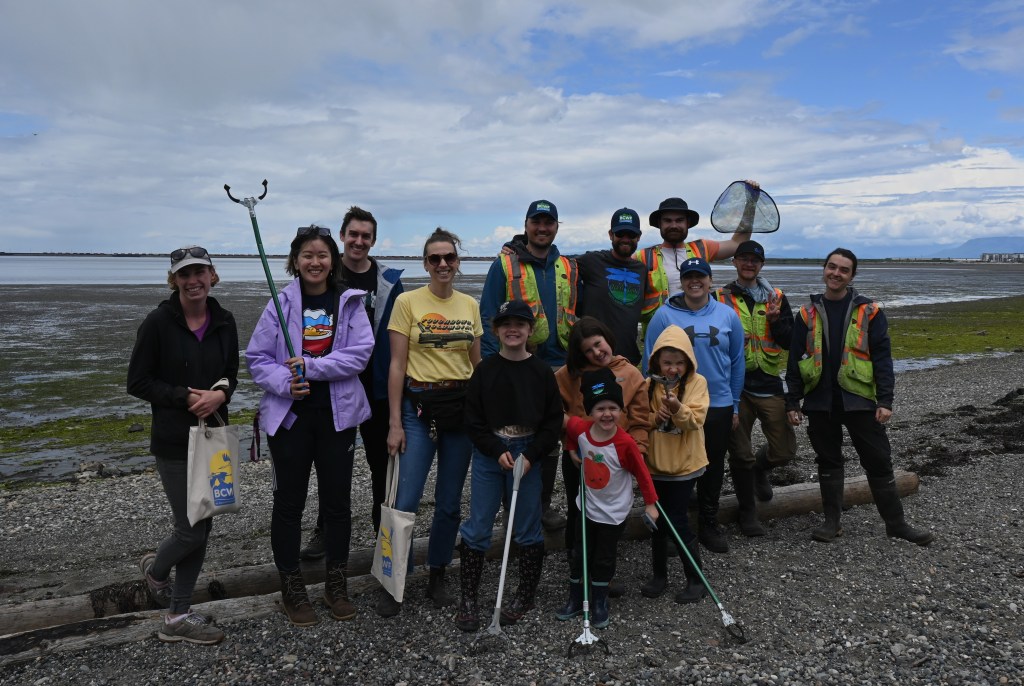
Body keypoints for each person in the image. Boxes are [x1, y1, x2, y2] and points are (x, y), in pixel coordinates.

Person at [246, 225, 373, 626]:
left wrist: (311, 367)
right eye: (307, 255)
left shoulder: (349, 302)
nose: (314, 262)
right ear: (295, 261)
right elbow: (257, 359)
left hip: (337, 418)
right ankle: (292, 588)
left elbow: (360, 354)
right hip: (291, 419)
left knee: (337, 504)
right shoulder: (279, 303)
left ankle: (336, 584)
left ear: (332, 261)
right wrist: (286, 383)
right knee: (289, 504)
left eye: (322, 255)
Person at [128, 246, 238, 645]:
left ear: (212, 275)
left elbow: (230, 374)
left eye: (199, 272)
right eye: (185, 274)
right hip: (175, 441)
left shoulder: (224, 320)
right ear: (174, 280)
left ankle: (173, 602)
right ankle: (165, 591)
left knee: (204, 526)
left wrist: (220, 394)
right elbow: (138, 382)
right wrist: (185, 397)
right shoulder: (158, 322)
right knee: (190, 531)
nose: (193, 281)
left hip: (214, 439)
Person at [785, 248, 933, 546]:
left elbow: (882, 358)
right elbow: (795, 360)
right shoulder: (806, 313)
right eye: (832, 267)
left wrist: (885, 400)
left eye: (844, 270)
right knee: (828, 461)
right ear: (824, 269)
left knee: (878, 460)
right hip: (820, 401)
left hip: (859, 400)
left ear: (852, 276)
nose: (836, 273)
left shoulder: (870, 311)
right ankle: (832, 523)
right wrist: (793, 401)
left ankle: (896, 524)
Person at [377, 228, 483, 618]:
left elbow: (476, 363)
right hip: (418, 411)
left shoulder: (469, 305)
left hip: (460, 410)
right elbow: (396, 365)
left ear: (457, 262)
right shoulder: (407, 302)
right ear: (425, 264)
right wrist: (394, 422)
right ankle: (393, 579)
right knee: (404, 501)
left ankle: (437, 572)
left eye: (449, 258)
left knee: (450, 503)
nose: (442, 264)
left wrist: (489, 410)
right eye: (435, 258)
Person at [301, 206, 404, 560]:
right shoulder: (326, 273)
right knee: (331, 464)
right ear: (342, 236)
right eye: (353, 234)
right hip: (334, 386)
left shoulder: (388, 280)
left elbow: (400, 333)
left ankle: (383, 534)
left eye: (366, 236)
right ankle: (324, 530)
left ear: (373, 240)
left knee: (381, 464)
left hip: (377, 387)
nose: (359, 241)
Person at [456, 300, 563, 631]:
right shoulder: (485, 370)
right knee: (478, 526)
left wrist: (531, 455)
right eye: (505, 324)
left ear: (530, 330)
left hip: (528, 455)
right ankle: (469, 599)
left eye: (519, 324)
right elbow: (473, 420)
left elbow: (553, 421)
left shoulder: (542, 372)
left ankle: (524, 595)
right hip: (491, 455)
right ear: (496, 330)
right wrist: (494, 449)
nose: (512, 329)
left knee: (527, 526)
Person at [480, 200, 579, 531]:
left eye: (549, 223)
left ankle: (543, 505)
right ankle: (515, 507)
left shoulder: (569, 266)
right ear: (526, 225)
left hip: (562, 366)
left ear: (556, 227)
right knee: (517, 436)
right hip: (521, 364)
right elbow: (488, 314)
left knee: (551, 438)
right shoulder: (505, 264)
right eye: (536, 222)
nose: (542, 228)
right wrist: (494, 365)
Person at [643, 257, 744, 554]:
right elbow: (649, 360)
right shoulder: (663, 315)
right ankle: (673, 525)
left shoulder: (727, 315)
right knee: (675, 464)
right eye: (688, 276)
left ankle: (708, 522)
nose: (694, 281)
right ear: (682, 281)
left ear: (710, 280)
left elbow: (737, 361)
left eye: (701, 276)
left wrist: (735, 404)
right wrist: (653, 404)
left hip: (718, 403)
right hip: (674, 402)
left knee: (712, 464)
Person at [554, 367, 659, 629]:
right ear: (590, 411)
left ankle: (600, 600)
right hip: (587, 507)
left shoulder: (625, 443)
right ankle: (576, 598)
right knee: (580, 553)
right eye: (600, 408)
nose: (607, 414)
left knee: (604, 557)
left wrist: (650, 504)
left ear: (621, 410)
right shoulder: (582, 429)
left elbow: (643, 474)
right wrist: (571, 449)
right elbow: (570, 430)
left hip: (613, 512)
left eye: (613, 407)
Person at [555, 316, 649, 597]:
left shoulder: (630, 373)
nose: (596, 352)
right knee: (578, 512)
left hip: (615, 460)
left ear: (607, 338)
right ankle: (577, 571)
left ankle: (602, 576)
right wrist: (570, 443)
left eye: (598, 344)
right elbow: (555, 412)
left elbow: (641, 419)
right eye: (588, 350)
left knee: (609, 516)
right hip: (579, 458)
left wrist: (638, 451)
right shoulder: (567, 375)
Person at [714, 240, 796, 537]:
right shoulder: (719, 297)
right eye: (744, 259)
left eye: (755, 260)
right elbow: (709, 339)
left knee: (784, 450)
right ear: (734, 262)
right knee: (740, 454)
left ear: (762, 265)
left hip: (769, 380)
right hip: (734, 385)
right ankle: (748, 512)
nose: (749, 264)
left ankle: (761, 470)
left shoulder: (776, 297)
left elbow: (790, 341)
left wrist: (775, 322)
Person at [641, 325, 710, 604]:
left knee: (678, 519)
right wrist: (655, 418)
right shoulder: (648, 385)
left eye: (679, 363)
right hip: (655, 467)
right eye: (667, 362)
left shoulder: (697, 383)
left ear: (688, 362)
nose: (672, 369)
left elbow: (695, 421)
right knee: (657, 521)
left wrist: (677, 408)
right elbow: (638, 421)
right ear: (657, 361)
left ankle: (695, 579)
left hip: (684, 467)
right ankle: (659, 576)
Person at [636, 189, 756, 322]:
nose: (674, 225)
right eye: (667, 221)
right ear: (660, 224)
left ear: (687, 223)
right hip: (660, 329)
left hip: (698, 328)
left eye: (679, 220)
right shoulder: (642, 257)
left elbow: (738, 243)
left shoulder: (701, 248)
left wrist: (751, 206)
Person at [573, 207, 657, 365]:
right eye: (620, 234)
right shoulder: (591, 261)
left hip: (627, 358)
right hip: (593, 357)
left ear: (639, 237)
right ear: (611, 234)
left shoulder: (641, 270)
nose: (625, 239)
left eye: (631, 235)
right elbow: (561, 266)